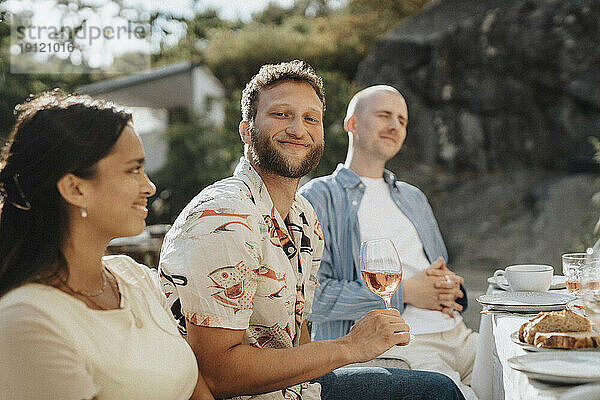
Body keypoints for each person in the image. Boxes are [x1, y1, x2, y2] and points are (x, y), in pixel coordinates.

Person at [159, 61, 465, 400]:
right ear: (247, 130)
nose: (297, 129)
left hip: (300, 387)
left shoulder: (303, 216)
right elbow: (218, 375)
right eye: (280, 114)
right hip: (254, 395)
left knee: (441, 389)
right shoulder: (225, 217)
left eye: (310, 119)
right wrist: (349, 347)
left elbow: (298, 332)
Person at [0, 90, 213, 400]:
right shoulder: (29, 322)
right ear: (75, 188)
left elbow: (197, 392)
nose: (149, 186)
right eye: (133, 169)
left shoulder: (134, 278)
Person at [299, 85, 478, 399]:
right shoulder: (318, 197)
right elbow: (311, 298)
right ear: (351, 123)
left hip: (457, 334)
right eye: (384, 115)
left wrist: (450, 288)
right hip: (398, 345)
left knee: (520, 372)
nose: (395, 126)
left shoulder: (413, 197)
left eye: (402, 121)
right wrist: (406, 293)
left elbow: (438, 268)